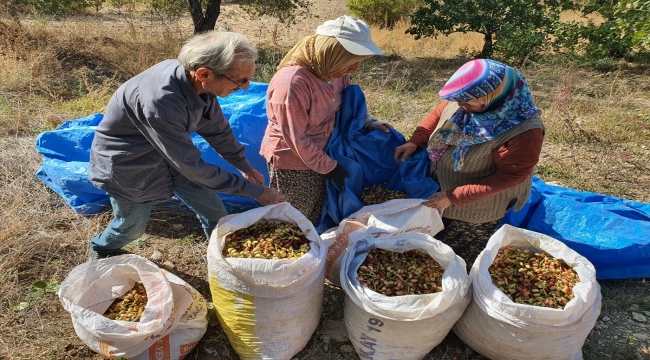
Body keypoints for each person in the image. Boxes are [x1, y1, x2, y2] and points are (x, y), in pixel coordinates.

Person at [87, 31, 286, 260]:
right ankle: (100, 248)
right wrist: (257, 192)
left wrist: (245, 166)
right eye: (240, 80)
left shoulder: (198, 83)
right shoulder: (161, 102)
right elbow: (191, 166)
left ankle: (222, 258)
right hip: (130, 164)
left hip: (172, 156)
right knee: (131, 228)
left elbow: (217, 130)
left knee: (216, 213)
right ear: (204, 73)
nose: (245, 87)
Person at [394, 59, 545, 269]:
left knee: (458, 258)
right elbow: (438, 114)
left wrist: (453, 197)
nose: (461, 106)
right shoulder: (466, 103)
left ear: (495, 96)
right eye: (459, 100)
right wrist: (415, 141)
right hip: (444, 192)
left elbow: (510, 177)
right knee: (434, 245)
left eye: (469, 102)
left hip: (477, 209)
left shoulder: (524, 132)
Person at [259, 15, 389, 224]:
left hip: (325, 153)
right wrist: (330, 168)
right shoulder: (292, 83)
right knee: (293, 218)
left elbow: (347, 105)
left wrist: (369, 122)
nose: (354, 69)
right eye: (350, 62)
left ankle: (314, 250)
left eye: (358, 63)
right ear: (330, 53)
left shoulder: (334, 71)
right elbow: (296, 138)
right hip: (294, 161)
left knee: (317, 213)